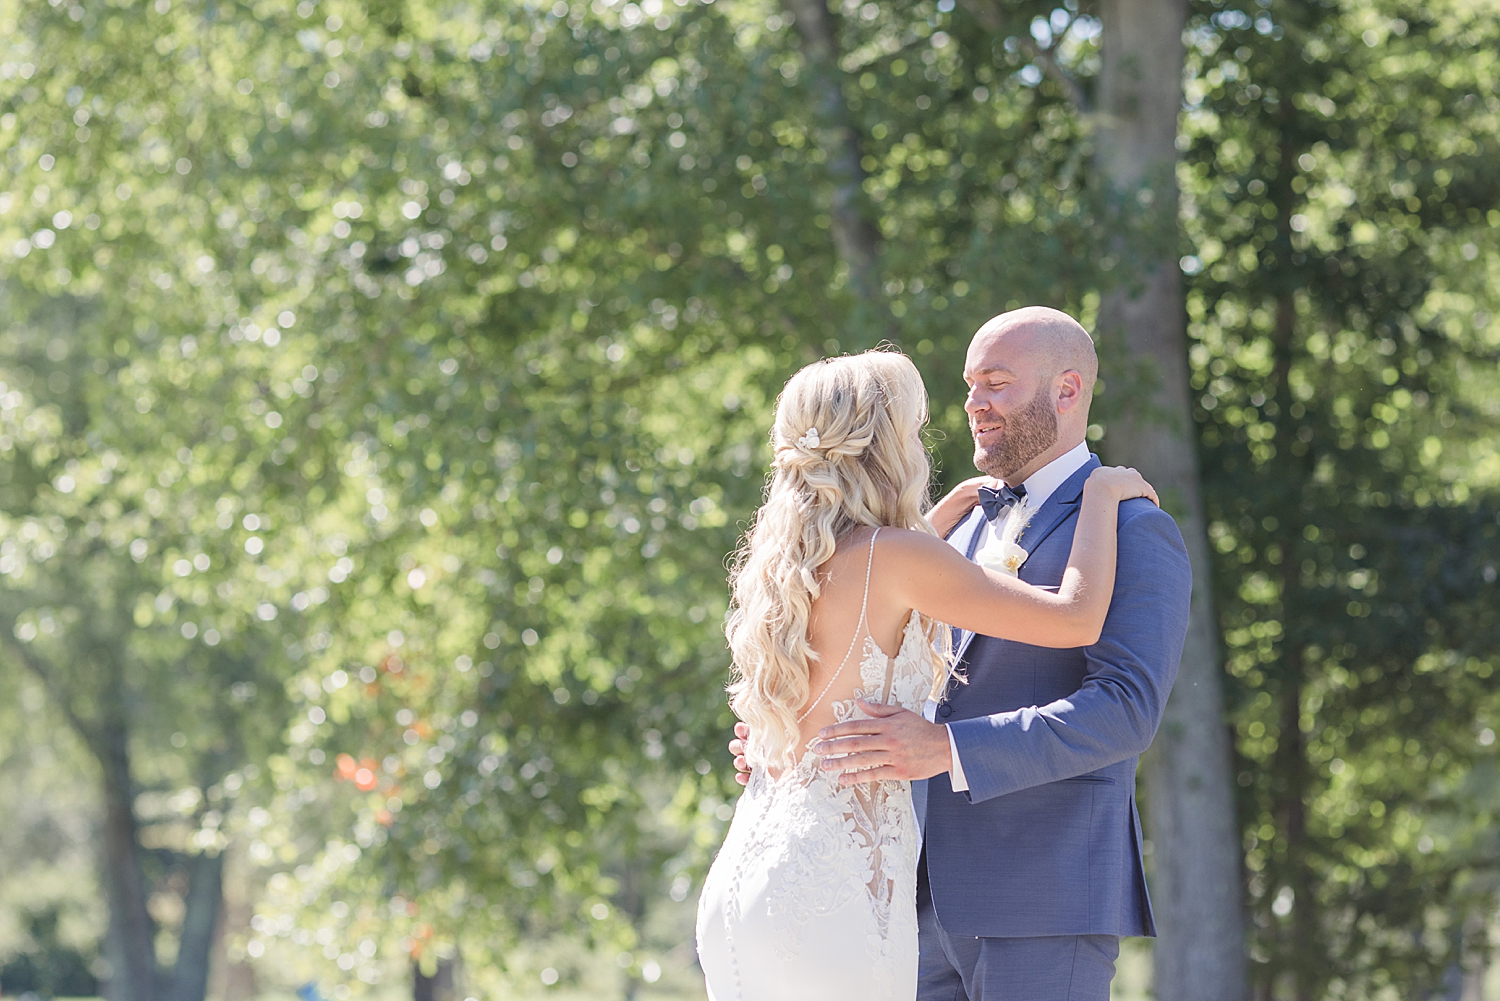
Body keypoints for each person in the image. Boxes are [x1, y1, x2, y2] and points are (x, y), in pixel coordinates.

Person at [696, 344, 1160, 1001]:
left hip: (756, 873)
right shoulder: (903, 556)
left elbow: (864, 634)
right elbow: (1078, 618)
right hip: (837, 891)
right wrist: (1104, 493)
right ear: (886, 442)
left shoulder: (786, 565)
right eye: (913, 428)